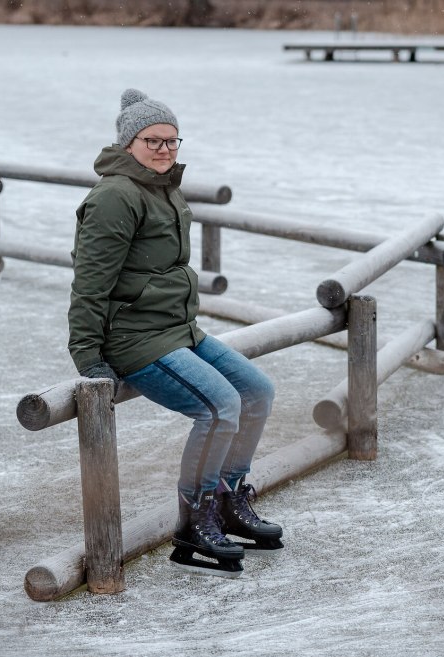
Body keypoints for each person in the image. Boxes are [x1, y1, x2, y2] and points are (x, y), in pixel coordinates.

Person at [67, 89, 282, 578]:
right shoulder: (114, 197)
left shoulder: (163, 186)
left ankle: (227, 500)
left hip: (179, 329)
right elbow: (89, 283)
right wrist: (87, 356)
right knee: (217, 407)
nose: (164, 149)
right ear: (128, 143)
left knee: (256, 391)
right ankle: (195, 519)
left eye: (171, 140)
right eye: (152, 140)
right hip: (136, 339)